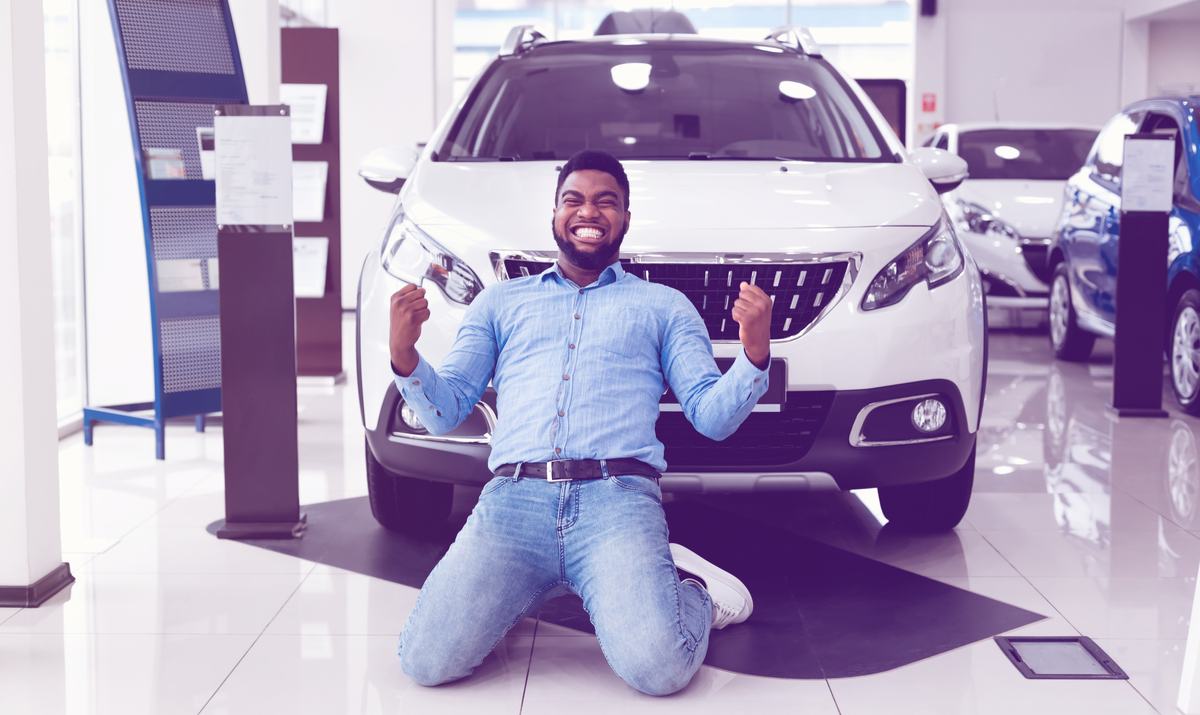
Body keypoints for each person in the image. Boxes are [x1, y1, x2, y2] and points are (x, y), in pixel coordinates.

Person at [390, 149, 773, 696]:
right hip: (513, 505)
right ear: (554, 215)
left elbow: (711, 418)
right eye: (573, 199)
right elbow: (445, 408)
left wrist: (753, 355)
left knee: (659, 672)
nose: (587, 211)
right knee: (424, 662)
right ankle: (514, 595)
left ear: (624, 219)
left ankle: (688, 588)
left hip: (615, 505)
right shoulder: (501, 303)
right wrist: (405, 355)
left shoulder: (663, 307)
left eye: (605, 201)